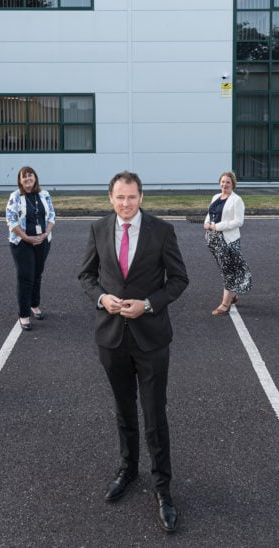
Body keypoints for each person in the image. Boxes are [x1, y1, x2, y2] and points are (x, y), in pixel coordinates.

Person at [78, 171, 189, 533]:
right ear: (110, 198)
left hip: (151, 337)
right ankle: (128, 469)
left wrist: (149, 304)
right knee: (124, 411)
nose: (126, 204)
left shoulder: (161, 231)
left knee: (155, 415)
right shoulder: (98, 228)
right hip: (111, 338)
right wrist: (101, 298)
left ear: (142, 197)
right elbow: (86, 276)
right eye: (119, 197)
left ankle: (162, 489)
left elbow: (178, 280)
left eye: (132, 197)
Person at [5, 166, 56, 331]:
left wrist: (45, 233)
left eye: (30, 175)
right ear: (20, 180)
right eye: (24, 177)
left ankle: (34, 305)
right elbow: (11, 220)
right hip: (22, 242)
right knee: (26, 277)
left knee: (37, 274)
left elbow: (52, 216)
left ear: (35, 177)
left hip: (43, 241)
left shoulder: (44, 195)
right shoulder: (15, 197)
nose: (28, 179)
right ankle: (24, 314)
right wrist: (26, 237)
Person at [203, 170, 252, 314]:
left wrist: (217, 227)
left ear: (233, 184)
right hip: (214, 241)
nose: (224, 184)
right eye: (223, 181)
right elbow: (210, 213)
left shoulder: (236, 200)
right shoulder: (216, 196)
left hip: (228, 241)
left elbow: (239, 221)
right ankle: (233, 293)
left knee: (228, 271)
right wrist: (206, 223)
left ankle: (225, 304)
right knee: (225, 268)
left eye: (228, 182)